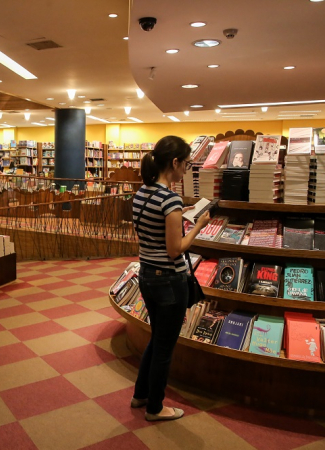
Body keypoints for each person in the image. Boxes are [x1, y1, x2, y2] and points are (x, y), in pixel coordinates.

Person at [130, 135, 210, 422]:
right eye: (186, 163)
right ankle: (155, 407)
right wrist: (198, 225)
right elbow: (176, 249)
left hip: (147, 275)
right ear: (174, 162)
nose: (186, 169)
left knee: (157, 339)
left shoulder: (143, 192)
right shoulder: (170, 198)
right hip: (169, 281)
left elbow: (153, 230)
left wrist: (181, 215)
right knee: (165, 346)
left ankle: (141, 394)